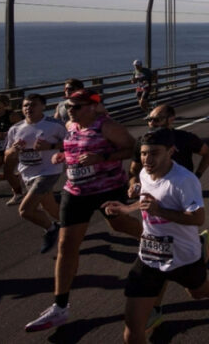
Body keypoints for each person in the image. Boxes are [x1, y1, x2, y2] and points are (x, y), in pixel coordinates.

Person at [25, 89, 142, 332]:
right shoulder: (71, 125)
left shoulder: (107, 127)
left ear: (91, 107)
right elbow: (74, 150)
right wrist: (62, 155)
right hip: (75, 191)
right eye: (68, 106)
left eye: (76, 106)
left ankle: (164, 239)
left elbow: (132, 149)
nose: (70, 110)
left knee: (119, 225)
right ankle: (60, 307)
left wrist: (102, 157)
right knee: (67, 246)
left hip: (107, 189)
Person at [101, 129, 209, 342]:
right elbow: (148, 202)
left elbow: (198, 218)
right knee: (133, 330)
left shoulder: (183, 181)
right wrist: (124, 209)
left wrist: (160, 211)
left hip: (183, 256)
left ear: (171, 151)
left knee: (198, 292)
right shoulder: (144, 173)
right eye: (143, 153)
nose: (147, 159)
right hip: (150, 254)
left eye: (154, 153)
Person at [4, 93, 67, 253]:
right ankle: (72, 226)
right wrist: (14, 150)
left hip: (49, 171)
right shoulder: (15, 129)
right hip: (28, 172)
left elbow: (72, 143)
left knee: (25, 210)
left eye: (33, 105)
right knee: (50, 207)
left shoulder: (54, 125)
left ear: (43, 106)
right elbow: (8, 153)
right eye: (25, 105)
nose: (28, 108)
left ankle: (51, 229)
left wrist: (50, 146)